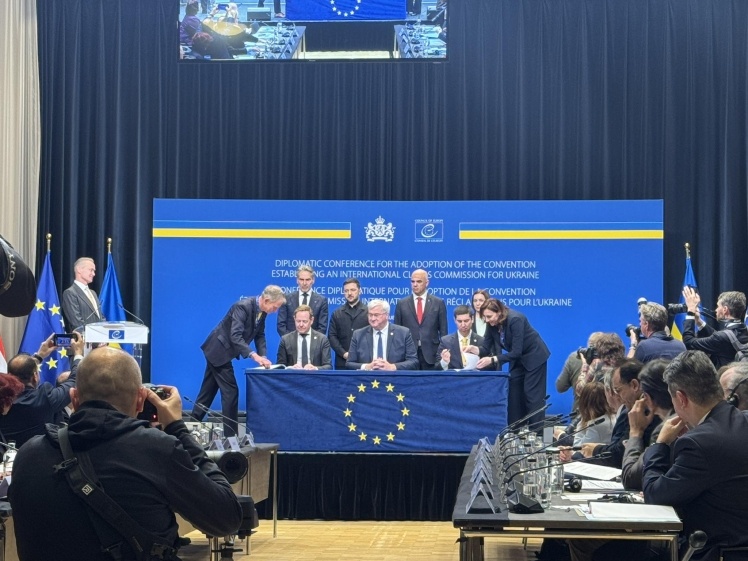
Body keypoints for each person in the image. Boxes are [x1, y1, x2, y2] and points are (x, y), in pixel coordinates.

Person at [9, 347, 243, 561]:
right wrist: (177, 428)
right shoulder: (156, 449)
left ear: (74, 399)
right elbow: (227, 518)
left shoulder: (29, 454)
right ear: (141, 400)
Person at [642, 350, 748, 560]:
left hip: (714, 552)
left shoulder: (697, 443)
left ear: (681, 398)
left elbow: (654, 495)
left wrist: (660, 444)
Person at [191, 285, 285, 436]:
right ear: (267, 300)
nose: (275, 311)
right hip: (218, 350)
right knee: (231, 392)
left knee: (207, 392)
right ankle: (231, 437)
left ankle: (192, 423)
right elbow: (235, 336)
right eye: (275, 307)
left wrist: (263, 356)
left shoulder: (263, 312)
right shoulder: (242, 307)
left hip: (220, 353)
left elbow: (259, 335)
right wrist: (254, 356)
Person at [466, 298, 550, 427]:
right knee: (514, 396)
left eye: (489, 316)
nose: (487, 320)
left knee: (532, 396)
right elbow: (486, 348)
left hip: (534, 357)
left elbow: (516, 351)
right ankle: (515, 432)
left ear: (499, 312)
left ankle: (537, 432)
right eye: (485, 317)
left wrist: (493, 359)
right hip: (517, 360)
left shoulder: (516, 319)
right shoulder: (491, 324)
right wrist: (474, 349)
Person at [0, 333, 83, 447]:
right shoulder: (44, 397)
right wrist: (78, 354)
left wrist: (39, 357)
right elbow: (74, 380)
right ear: (35, 376)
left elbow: (21, 370)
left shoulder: (3, 399)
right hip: (38, 455)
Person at [621, 359, 674, 490]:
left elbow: (630, 478)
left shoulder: (665, 429)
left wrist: (635, 432)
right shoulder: (685, 418)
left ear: (647, 398)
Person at [394, 269, 448, 370]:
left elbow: (443, 332)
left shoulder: (438, 303)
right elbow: (397, 332)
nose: (415, 284)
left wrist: (442, 354)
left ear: (427, 283)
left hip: (431, 354)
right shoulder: (402, 304)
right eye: (412, 281)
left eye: (419, 281)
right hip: (408, 355)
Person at [682, 287, 748, 368]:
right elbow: (722, 337)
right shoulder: (744, 330)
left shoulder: (722, 337)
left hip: (724, 375)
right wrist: (698, 321)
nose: (716, 310)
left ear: (725, 309)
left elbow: (689, 342)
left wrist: (690, 311)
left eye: (718, 306)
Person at [346, 299, 419, 371]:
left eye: (376, 315)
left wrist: (392, 367)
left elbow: (413, 361)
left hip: (394, 377)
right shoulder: (358, 335)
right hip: (367, 378)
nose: (372, 318)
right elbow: (349, 363)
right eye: (370, 315)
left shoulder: (403, 333)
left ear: (386, 315)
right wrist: (367, 366)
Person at [555, 332, 603, 413]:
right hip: (605, 415)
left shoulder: (574, 358)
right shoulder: (609, 361)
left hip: (580, 414)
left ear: (589, 344)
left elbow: (560, 387)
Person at [328, 277, 368, 369]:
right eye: (346, 291)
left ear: (360, 291)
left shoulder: (368, 312)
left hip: (363, 362)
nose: (349, 293)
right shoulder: (337, 313)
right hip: (342, 362)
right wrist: (344, 353)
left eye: (353, 290)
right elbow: (332, 337)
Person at [277, 265, 328, 336]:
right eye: (301, 279)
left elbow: (322, 328)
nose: (304, 283)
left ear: (313, 280)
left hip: (313, 342)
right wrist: (290, 340)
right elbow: (281, 325)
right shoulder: (286, 299)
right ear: (297, 280)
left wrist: (311, 341)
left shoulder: (322, 301)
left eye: (307, 280)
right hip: (290, 341)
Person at [276, 305, 332, 369]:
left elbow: (328, 366)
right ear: (294, 319)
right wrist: (290, 368)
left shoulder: (322, 339)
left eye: (304, 321)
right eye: (298, 321)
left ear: (311, 320)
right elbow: (280, 366)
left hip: (314, 374)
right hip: (293, 374)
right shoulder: (285, 340)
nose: (301, 325)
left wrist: (315, 368)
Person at [62, 257, 105, 331]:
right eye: (91, 270)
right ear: (79, 270)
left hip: (99, 337)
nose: (93, 274)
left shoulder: (93, 293)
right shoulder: (70, 293)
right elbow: (76, 322)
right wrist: (96, 334)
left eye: (94, 271)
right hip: (84, 337)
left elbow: (101, 317)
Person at [436, 305, 484, 370]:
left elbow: (489, 366)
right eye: (459, 321)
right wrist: (444, 362)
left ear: (472, 319)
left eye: (466, 321)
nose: (463, 325)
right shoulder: (446, 341)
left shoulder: (481, 341)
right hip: (453, 376)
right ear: (455, 320)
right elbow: (437, 368)